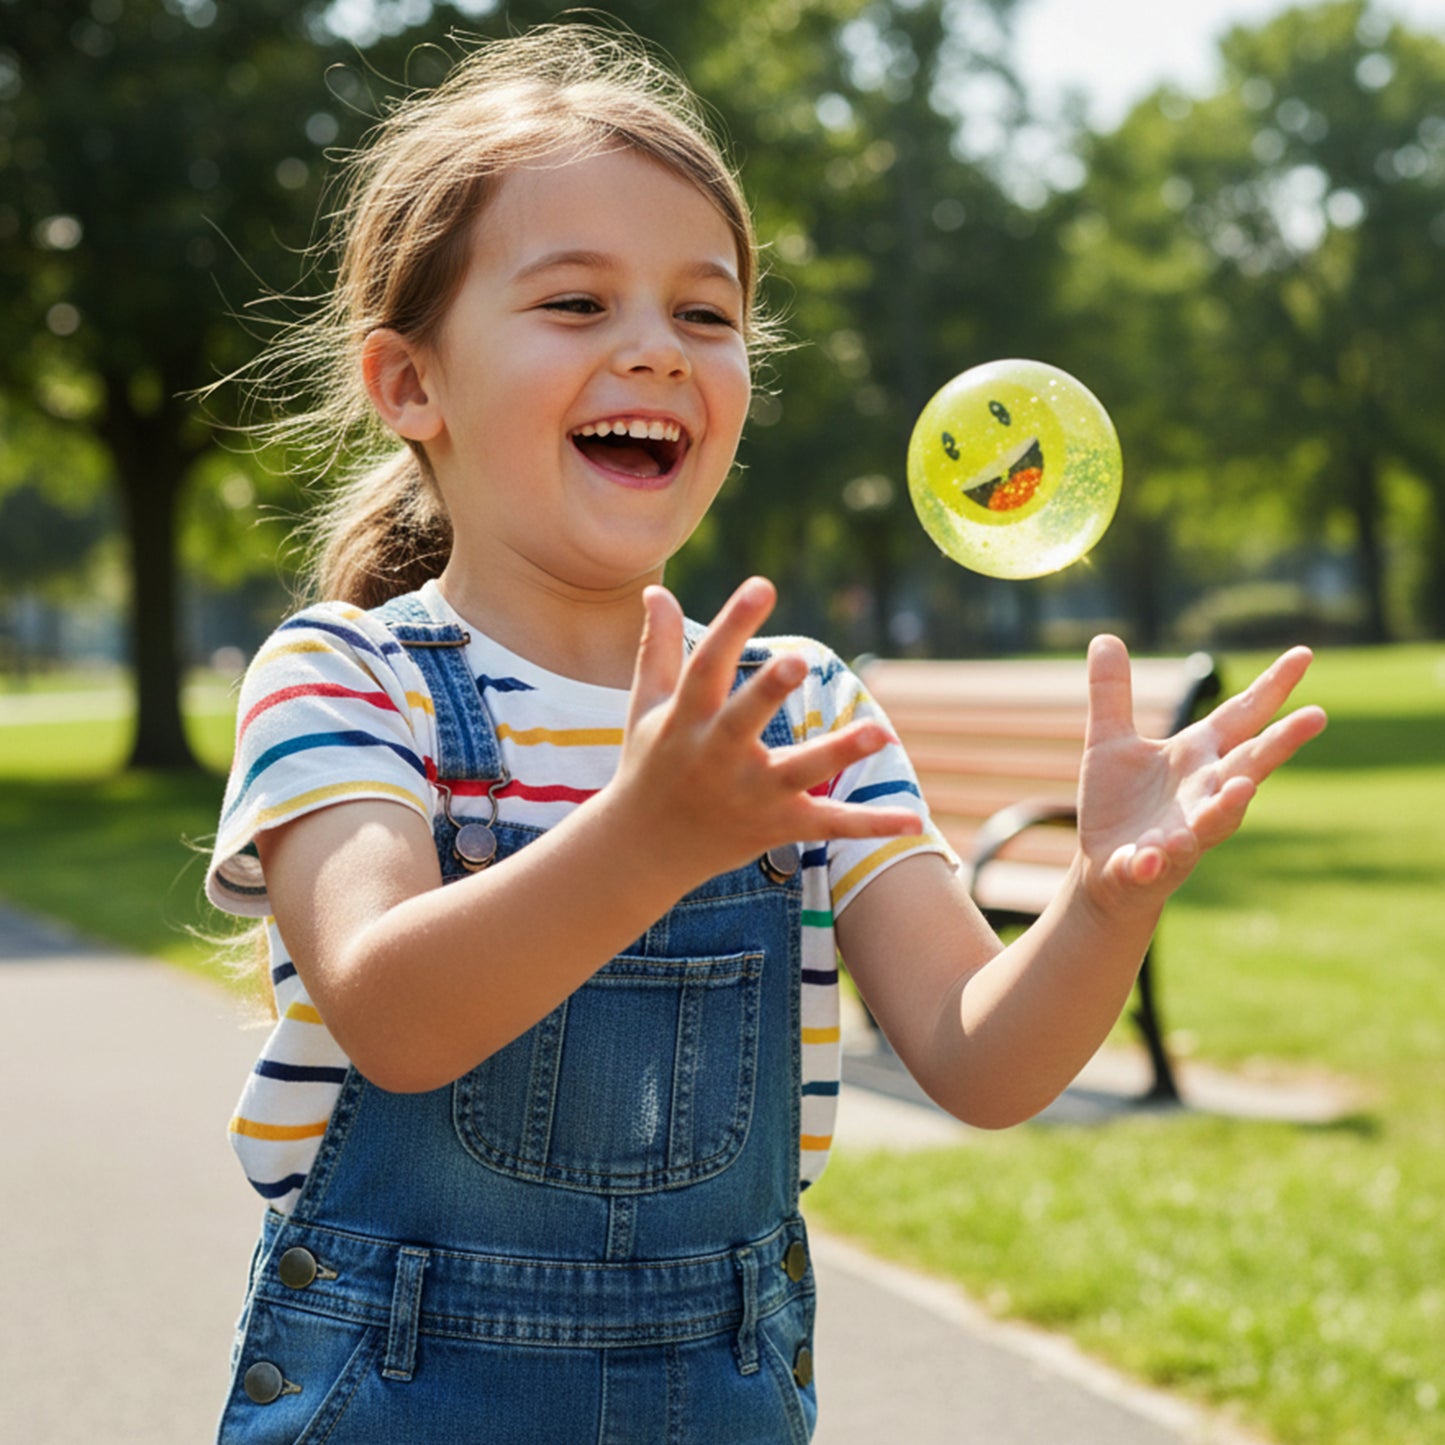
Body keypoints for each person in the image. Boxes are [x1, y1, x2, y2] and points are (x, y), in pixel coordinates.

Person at [204, 24, 1327, 1444]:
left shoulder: (806, 708)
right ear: (409, 384)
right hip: (396, 1399)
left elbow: (977, 1061)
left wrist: (1104, 901)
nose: (653, 350)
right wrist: (643, 838)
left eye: (704, 312)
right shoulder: (348, 678)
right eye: (573, 302)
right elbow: (395, 1013)